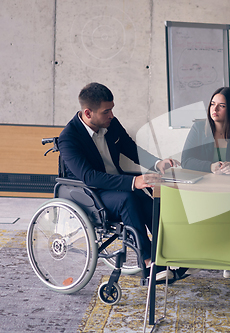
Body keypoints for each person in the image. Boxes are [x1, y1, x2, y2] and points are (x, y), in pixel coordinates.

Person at [58, 82, 185, 282]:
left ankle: (171, 255)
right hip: (91, 193)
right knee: (129, 198)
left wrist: (157, 163)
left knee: (151, 202)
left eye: (112, 109)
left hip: (117, 185)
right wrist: (134, 181)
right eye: (106, 111)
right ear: (88, 113)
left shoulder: (111, 124)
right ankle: (149, 262)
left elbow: (131, 148)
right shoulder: (68, 138)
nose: (111, 115)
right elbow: (89, 177)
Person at [181, 86, 230, 278]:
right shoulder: (199, 128)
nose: (215, 109)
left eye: (221, 106)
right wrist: (210, 166)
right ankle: (198, 252)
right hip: (204, 189)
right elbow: (186, 161)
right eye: (213, 104)